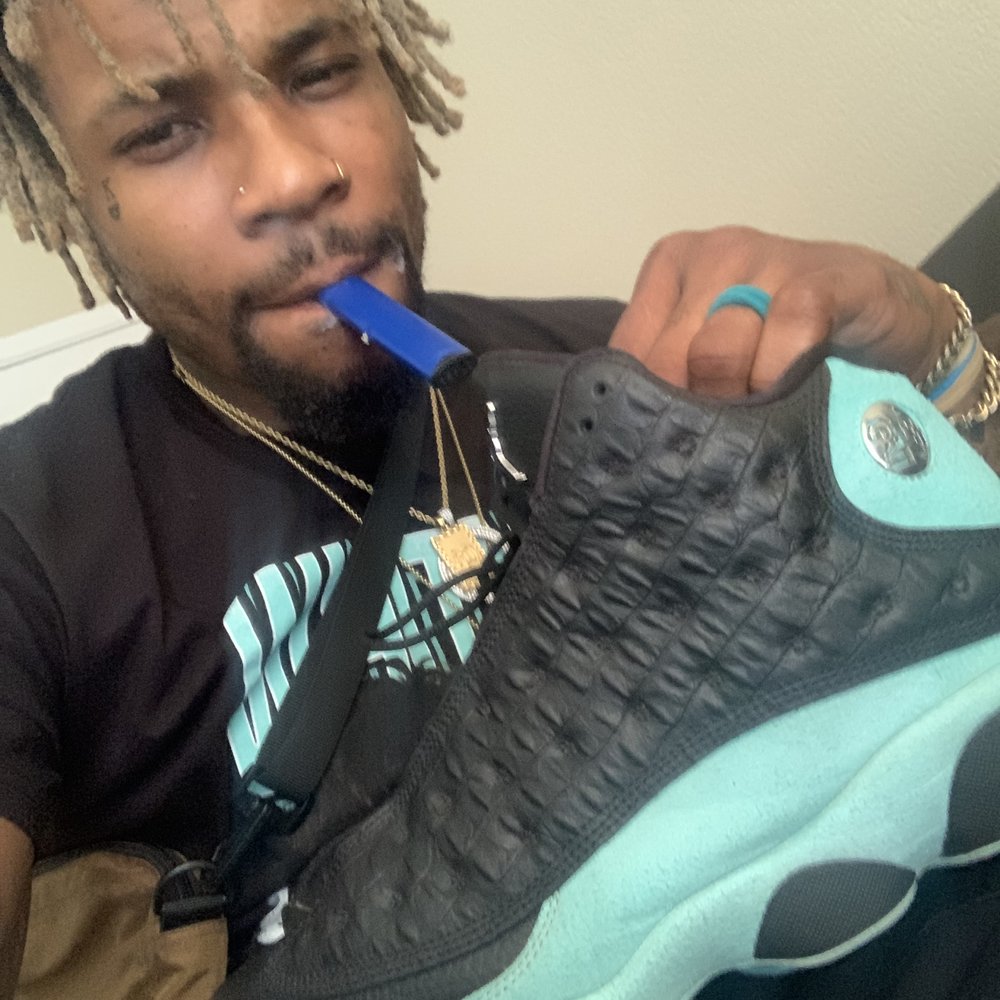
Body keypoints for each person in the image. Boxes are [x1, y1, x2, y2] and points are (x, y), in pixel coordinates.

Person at [0, 0, 996, 995]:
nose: (297, 175)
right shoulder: (32, 538)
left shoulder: (608, 369)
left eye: (320, 74)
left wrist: (932, 354)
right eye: (163, 132)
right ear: (73, 194)